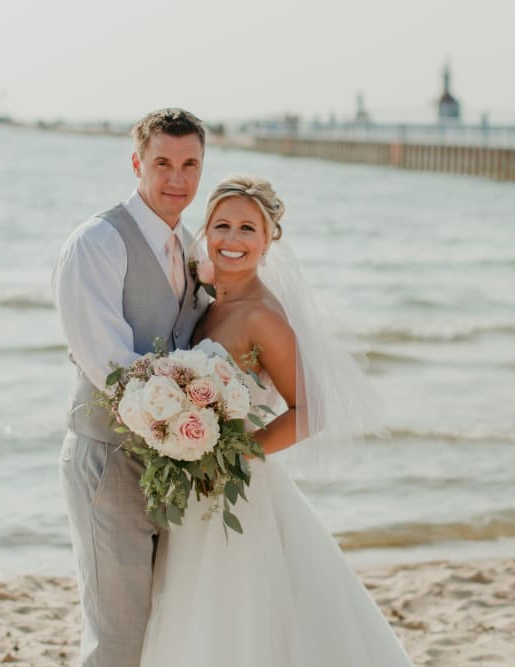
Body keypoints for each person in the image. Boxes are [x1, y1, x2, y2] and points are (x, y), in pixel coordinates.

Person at [140, 175, 415, 667]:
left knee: (239, 622)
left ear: (269, 240)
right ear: (205, 232)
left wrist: (239, 452)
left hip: (238, 491)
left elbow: (311, 411)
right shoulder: (208, 301)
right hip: (198, 489)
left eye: (248, 228)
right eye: (222, 225)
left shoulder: (262, 315)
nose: (232, 239)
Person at [52, 108, 210, 667]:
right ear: (137, 162)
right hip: (109, 459)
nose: (177, 179)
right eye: (163, 163)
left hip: (174, 464)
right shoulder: (98, 242)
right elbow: (110, 365)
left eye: (190, 165)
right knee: (118, 635)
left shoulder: (192, 249)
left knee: (166, 624)